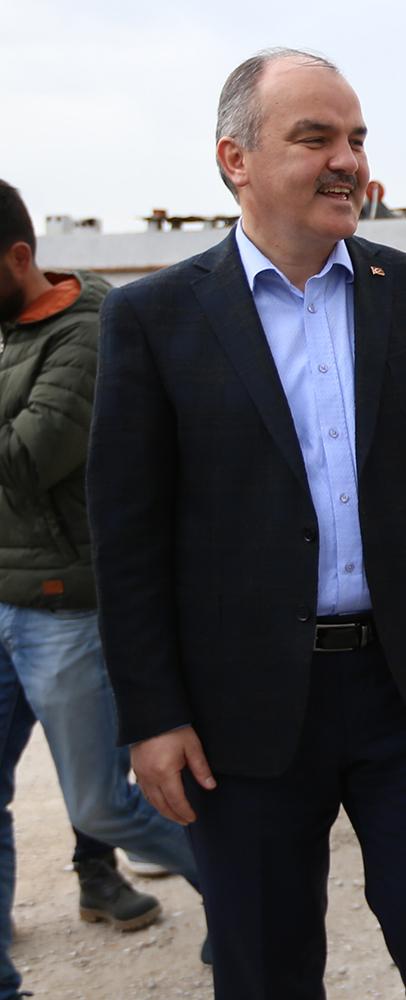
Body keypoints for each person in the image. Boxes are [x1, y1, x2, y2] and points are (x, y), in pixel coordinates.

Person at [87, 48, 406, 999]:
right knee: (265, 962)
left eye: (356, 139)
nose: (347, 162)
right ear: (235, 159)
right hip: (237, 710)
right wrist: (153, 715)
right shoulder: (155, 319)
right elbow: (127, 540)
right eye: (315, 137)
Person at [0, 181, 210, 996]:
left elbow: (28, 457)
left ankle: (239, 889)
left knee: (103, 807)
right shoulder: (10, 334)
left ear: (19, 258)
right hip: (5, 594)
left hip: (66, 608)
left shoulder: (89, 330)